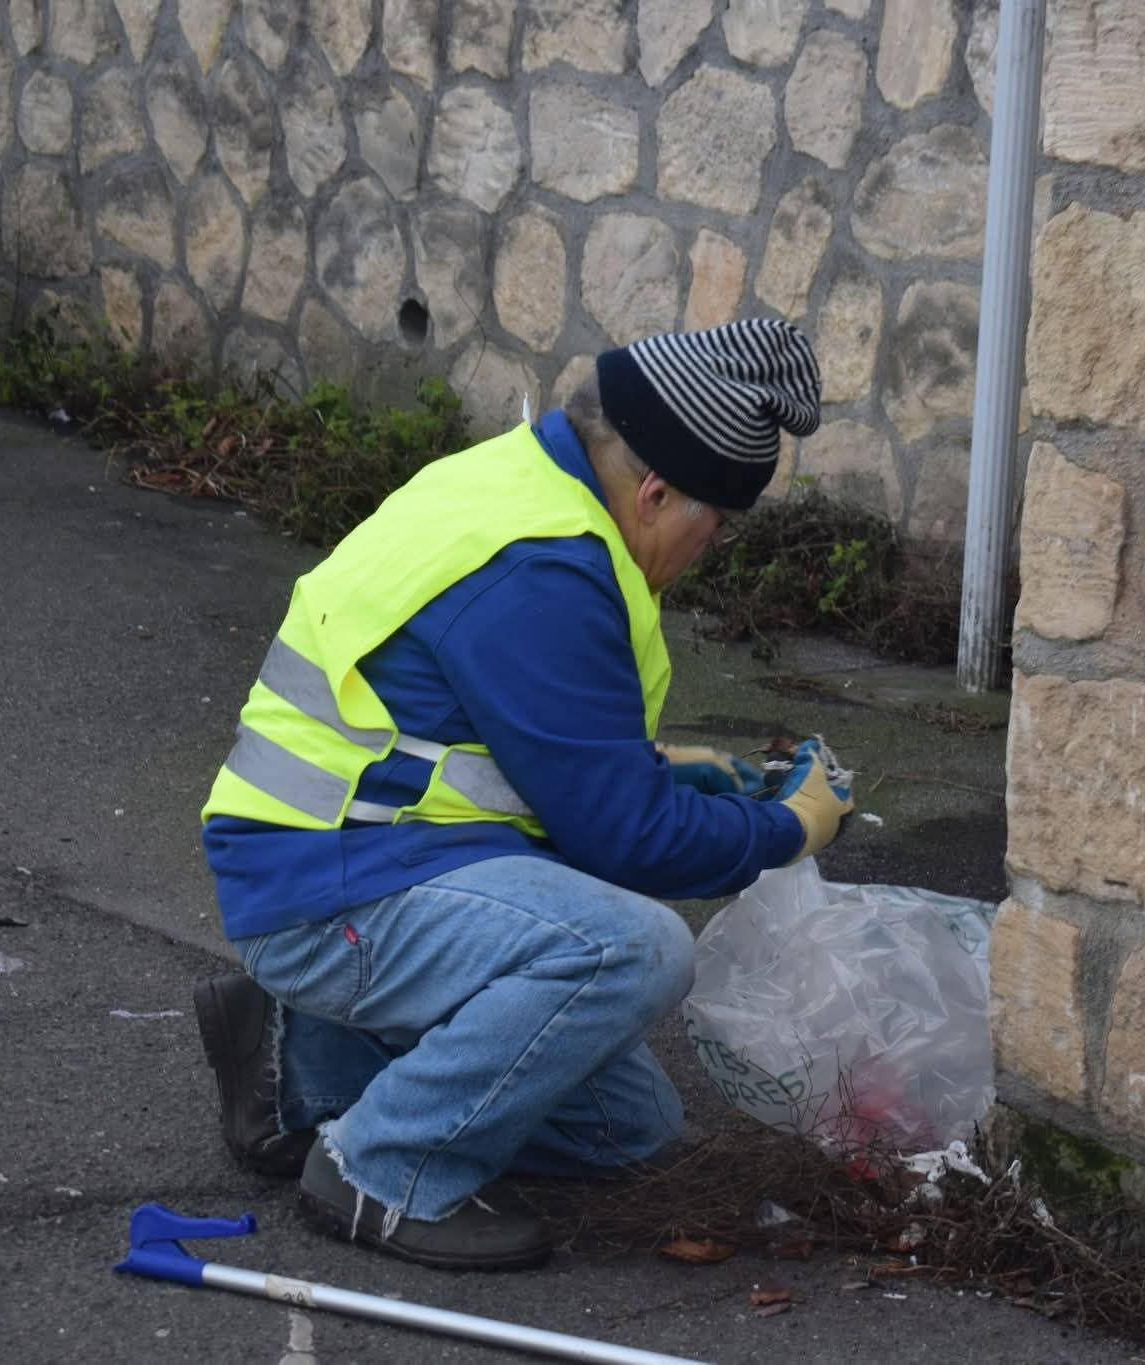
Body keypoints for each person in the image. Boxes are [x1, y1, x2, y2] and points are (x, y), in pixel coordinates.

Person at [190, 319, 854, 1271]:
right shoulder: (547, 566)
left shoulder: (523, 483)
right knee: (635, 948)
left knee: (630, 1127)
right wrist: (787, 828)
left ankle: (299, 1064)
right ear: (659, 489)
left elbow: (486, 739)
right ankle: (385, 1167)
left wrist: (666, 770)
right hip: (328, 890)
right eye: (717, 523)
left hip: (366, 850)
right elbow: (624, 839)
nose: (713, 547)